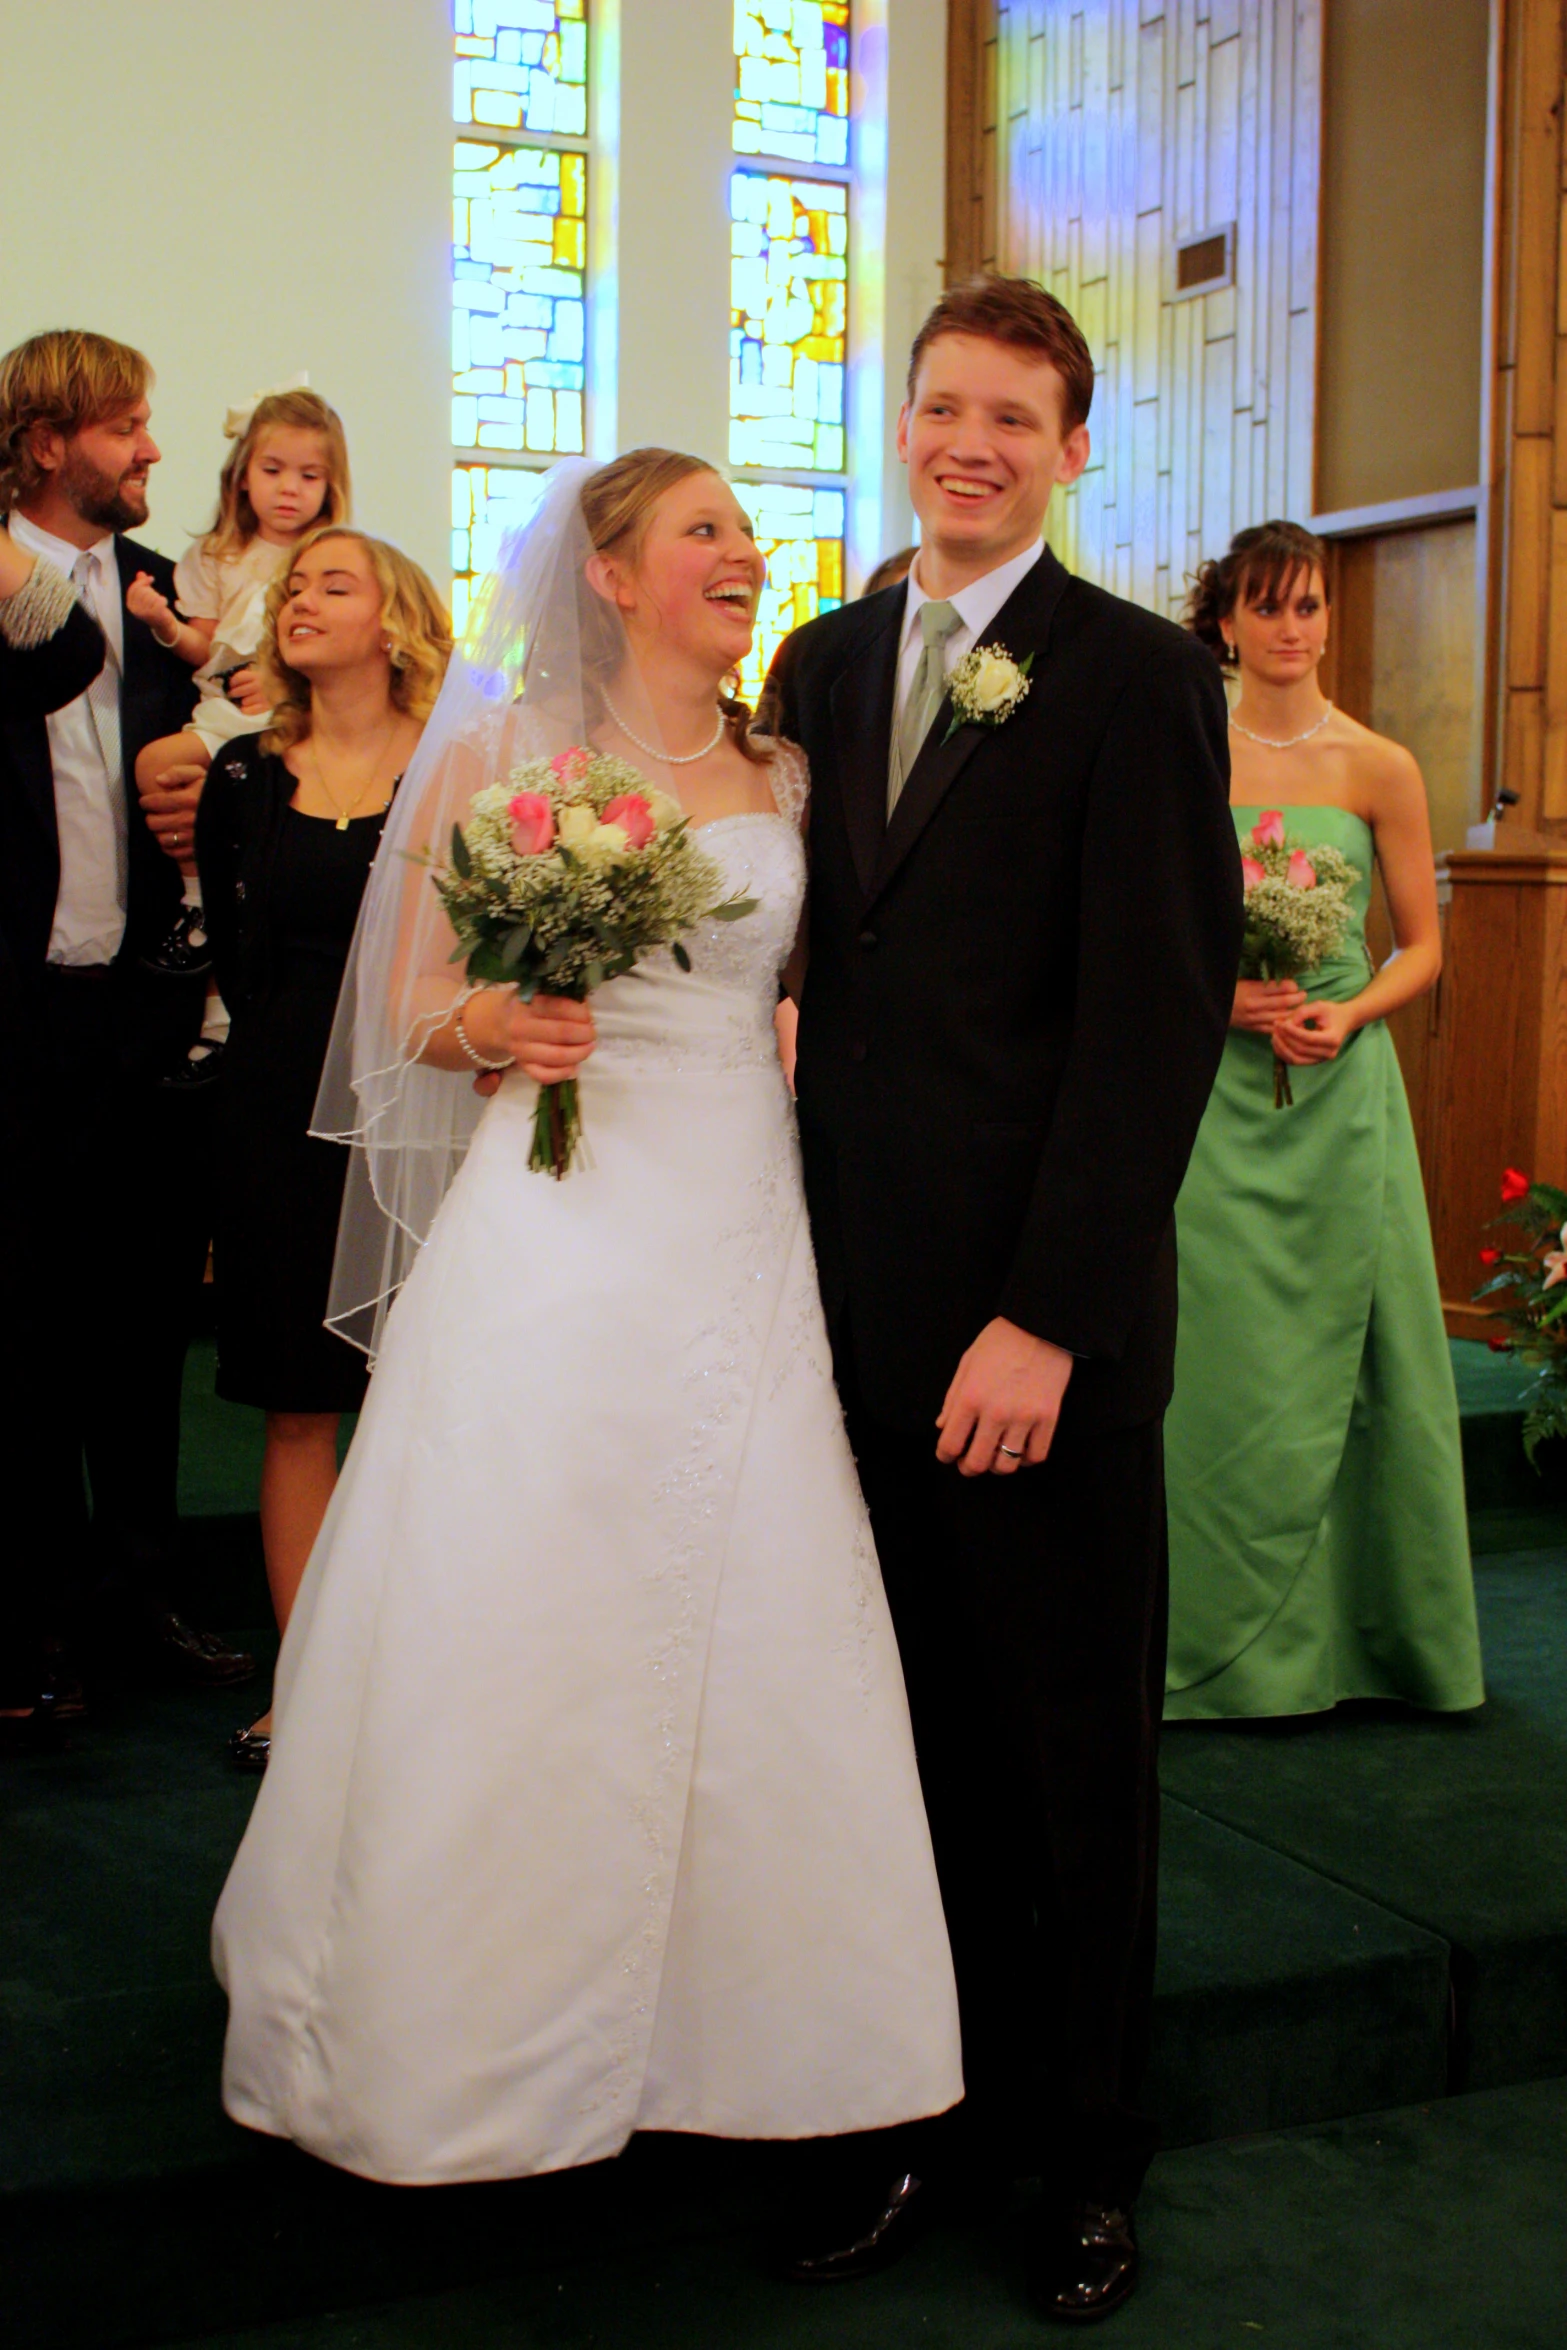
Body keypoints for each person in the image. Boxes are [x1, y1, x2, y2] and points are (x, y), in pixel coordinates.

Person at [212, 450, 962, 2196]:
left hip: (742, 1219)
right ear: (613, 575)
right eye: (704, 530)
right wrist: (503, 1026)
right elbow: (403, 1005)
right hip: (556, 1219)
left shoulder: (791, 769)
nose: (742, 556)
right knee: (521, 1585)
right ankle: (463, 2017)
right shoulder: (502, 756)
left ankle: (763, 2033)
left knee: (761, 1594)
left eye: (744, 535)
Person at [768, 273, 1242, 2322]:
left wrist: (1044, 1313)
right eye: (941, 406)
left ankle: (1080, 2149)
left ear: (1070, 446)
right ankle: (921, 2103)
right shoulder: (815, 656)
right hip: (845, 1312)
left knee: (1062, 1750)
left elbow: (1155, 1019)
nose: (968, 443)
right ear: (904, 418)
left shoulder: (1135, 677)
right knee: (898, 1742)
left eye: (1011, 419)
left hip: (1031, 1328)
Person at [1164, 521, 1484, 1721]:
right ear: (1226, 622)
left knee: (1366, 1358)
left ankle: (1370, 1641)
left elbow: (1426, 948)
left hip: (1340, 1089)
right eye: (1267, 607)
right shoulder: (1188, 750)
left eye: (1307, 607)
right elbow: (1154, 932)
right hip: (1211, 1095)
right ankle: (1205, 1634)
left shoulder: (1377, 766)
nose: (1291, 629)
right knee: (1216, 1357)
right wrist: (1219, 997)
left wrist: (1348, 1019)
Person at [0, 328, 254, 1731]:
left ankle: (141, 1592)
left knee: (145, 1320)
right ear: (48, 443)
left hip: (148, 1008)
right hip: (17, 1010)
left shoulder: (165, 598)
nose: (153, 449)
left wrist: (196, 784)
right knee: (24, 1322)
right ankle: (31, 1619)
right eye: (125, 426)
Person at [196, 526, 450, 1772]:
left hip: (419, 1103)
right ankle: (306, 1688)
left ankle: (415, 1681)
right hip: (276, 1112)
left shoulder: (458, 768)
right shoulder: (245, 775)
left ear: (394, 622)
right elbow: (239, 960)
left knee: (429, 1402)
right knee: (297, 1410)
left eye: (330, 584)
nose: (300, 601)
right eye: (292, 588)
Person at [132, 383, 351, 1078]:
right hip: (223, 712)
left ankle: (232, 1023)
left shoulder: (330, 560)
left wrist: (284, 679)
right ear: (242, 476)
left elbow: (341, 651)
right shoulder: (216, 558)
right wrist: (164, 624)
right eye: (273, 471)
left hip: (293, 718)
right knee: (156, 765)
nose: (289, 490)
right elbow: (204, 650)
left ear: (331, 486)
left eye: (309, 476)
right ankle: (196, 909)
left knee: (258, 869)